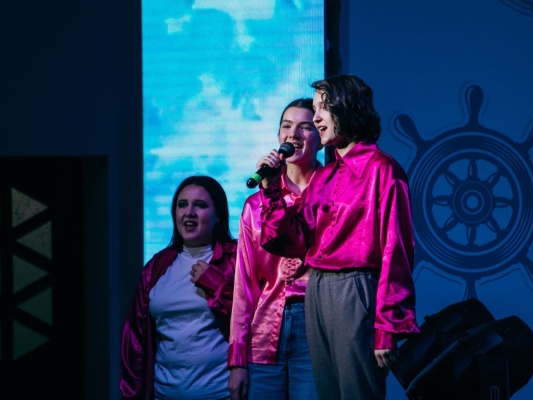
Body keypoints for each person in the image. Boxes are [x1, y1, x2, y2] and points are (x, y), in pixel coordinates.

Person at [257, 74, 420, 400]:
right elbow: (294, 241)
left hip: (355, 290)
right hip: (317, 289)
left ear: (348, 107)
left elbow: (397, 251)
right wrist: (272, 190)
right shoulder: (324, 176)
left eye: (323, 107)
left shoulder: (382, 169)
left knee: (358, 392)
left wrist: (387, 326)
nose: (316, 117)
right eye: (315, 108)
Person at [228, 98, 321, 400]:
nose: (293, 134)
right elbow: (244, 286)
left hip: (316, 323)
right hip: (265, 330)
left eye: (305, 127)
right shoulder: (255, 206)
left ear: (321, 137)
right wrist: (237, 360)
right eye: (286, 126)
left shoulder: (332, 195)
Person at [120, 175, 237, 400]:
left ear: (219, 216)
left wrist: (215, 284)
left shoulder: (236, 260)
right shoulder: (157, 266)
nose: (189, 212)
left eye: (200, 205)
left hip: (221, 394)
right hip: (165, 394)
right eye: (182, 204)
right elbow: (134, 337)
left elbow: (254, 322)